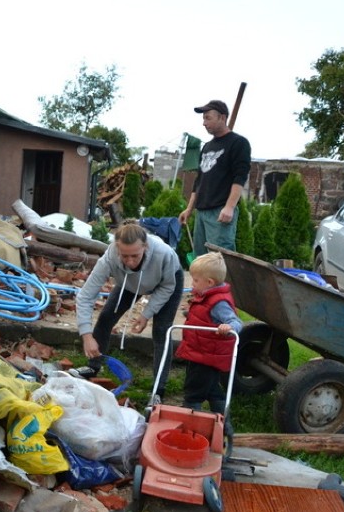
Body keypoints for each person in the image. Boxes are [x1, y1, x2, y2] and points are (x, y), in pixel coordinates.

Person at [76, 221, 184, 401]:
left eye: (135, 255)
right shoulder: (110, 257)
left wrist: (146, 314)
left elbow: (167, 287)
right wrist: (86, 336)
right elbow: (85, 296)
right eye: (124, 256)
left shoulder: (164, 254)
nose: (130, 261)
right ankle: (93, 366)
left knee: (161, 332)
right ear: (117, 248)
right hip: (128, 282)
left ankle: (158, 389)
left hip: (166, 282)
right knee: (105, 318)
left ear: (145, 246)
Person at [179, 100, 251, 257]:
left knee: (219, 260)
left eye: (208, 118)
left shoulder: (238, 143)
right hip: (202, 211)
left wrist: (230, 207)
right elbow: (199, 181)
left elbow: (240, 178)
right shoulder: (207, 147)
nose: (204, 123)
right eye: (203, 119)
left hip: (220, 211)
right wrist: (189, 209)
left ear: (222, 117)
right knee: (201, 260)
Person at [175, 252, 242, 416]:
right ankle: (223, 422)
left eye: (196, 280)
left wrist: (228, 327)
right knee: (212, 389)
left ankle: (190, 418)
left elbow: (236, 322)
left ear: (209, 282)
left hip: (206, 355)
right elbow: (205, 316)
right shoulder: (206, 295)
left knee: (194, 389)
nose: (193, 283)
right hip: (201, 351)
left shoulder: (219, 302)